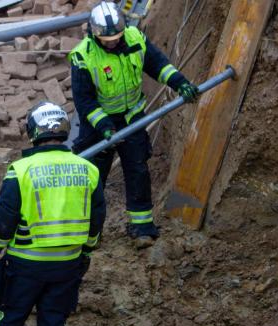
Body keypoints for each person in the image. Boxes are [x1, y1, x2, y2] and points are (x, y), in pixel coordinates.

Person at [0, 102, 106, 326]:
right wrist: (86, 252)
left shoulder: (20, 171)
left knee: (9, 319)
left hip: (24, 264)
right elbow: (97, 219)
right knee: (53, 322)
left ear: (32, 131)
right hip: (67, 265)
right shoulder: (88, 169)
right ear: (63, 130)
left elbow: (4, 221)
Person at [68, 1, 199, 248]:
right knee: (92, 178)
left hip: (132, 117)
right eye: (107, 40)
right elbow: (83, 100)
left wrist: (180, 83)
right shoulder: (83, 57)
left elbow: (158, 64)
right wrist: (104, 126)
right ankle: (87, 232)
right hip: (98, 125)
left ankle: (141, 228)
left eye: (117, 37)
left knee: (137, 170)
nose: (113, 42)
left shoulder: (135, 38)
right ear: (94, 34)